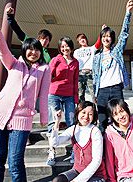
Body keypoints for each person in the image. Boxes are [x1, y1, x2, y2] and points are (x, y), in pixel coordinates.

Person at [0, 14, 51, 181]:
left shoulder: (44, 69)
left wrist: (45, 117)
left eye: (37, 49)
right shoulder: (14, 64)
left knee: (15, 162)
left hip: (22, 120)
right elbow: (2, 49)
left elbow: (43, 95)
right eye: (30, 48)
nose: (33, 52)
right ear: (24, 49)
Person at [92, 0, 133, 134]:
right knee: (102, 120)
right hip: (102, 91)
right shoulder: (97, 56)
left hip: (116, 89)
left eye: (109, 36)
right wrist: (95, 93)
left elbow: (124, 33)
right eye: (104, 36)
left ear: (112, 39)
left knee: (120, 118)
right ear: (101, 38)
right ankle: (104, 150)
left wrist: (127, 13)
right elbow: (95, 76)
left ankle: (122, 144)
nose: (106, 38)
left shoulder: (117, 51)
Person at [51, 101, 106, 182]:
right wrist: (57, 122)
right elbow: (54, 143)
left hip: (96, 175)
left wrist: (77, 180)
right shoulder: (73, 129)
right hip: (77, 171)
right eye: (83, 112)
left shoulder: (95, 131)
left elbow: (96, 161)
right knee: (57, 180)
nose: (86, 116)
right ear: (78, 113)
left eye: (90, 114)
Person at [46, 36, 79, 166]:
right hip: (54, 93)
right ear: (60, 48)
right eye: (62, 46)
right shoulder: (56, 59)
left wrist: (76, 97)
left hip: (69, 95)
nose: (65, 48)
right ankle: (52, 151)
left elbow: (75, 80)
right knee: (53, 122)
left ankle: (73, 151)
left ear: (71, 47)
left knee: (72, 122)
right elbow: (48, 75)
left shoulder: (75, 62)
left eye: (67, 46)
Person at [73, 25, 106, 103]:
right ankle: (81, 111)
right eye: (80, 39)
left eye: (83, 38)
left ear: (86, 39)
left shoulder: (91, 48)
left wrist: (102, 32)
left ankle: (96, 112)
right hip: (80, 74)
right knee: (80, 94)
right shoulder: (76, 51)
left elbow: (98, 43)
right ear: (78, 41)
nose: (82, 40)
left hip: (90, 73)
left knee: (94, 94)